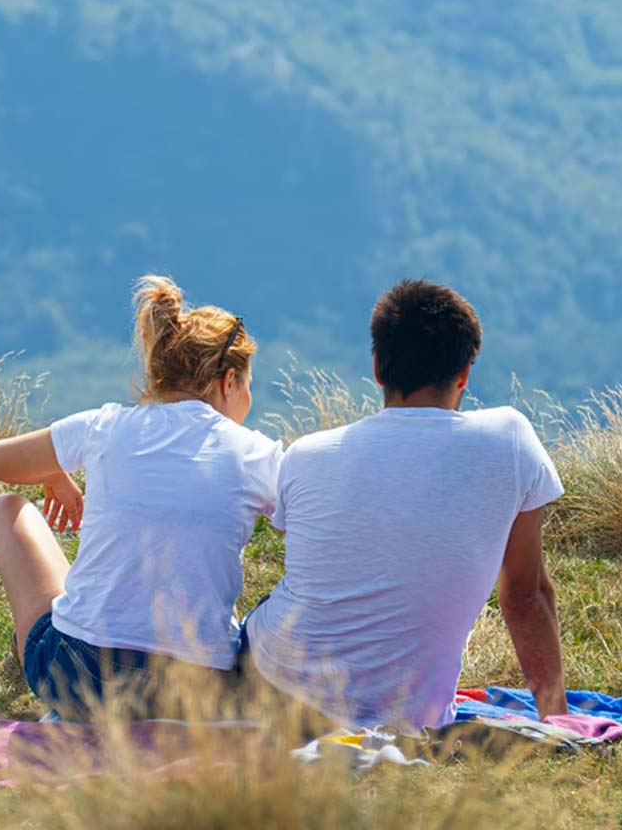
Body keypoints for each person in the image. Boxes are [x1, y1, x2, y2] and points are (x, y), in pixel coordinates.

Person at [243, 278, 567, 732]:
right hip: (415, 715)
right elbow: (525, 596)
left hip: (278, 695)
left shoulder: (307, 454)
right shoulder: (510, 440)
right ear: (464, 375)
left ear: (378, 368)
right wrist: (557, 720)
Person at [0, 275, 282, 718]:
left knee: (4, 508)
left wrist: (55, 473)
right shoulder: (256, 454)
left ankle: (29, 644)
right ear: (229, 381)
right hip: (197, 696)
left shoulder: (106, 426)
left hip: (78, 680)